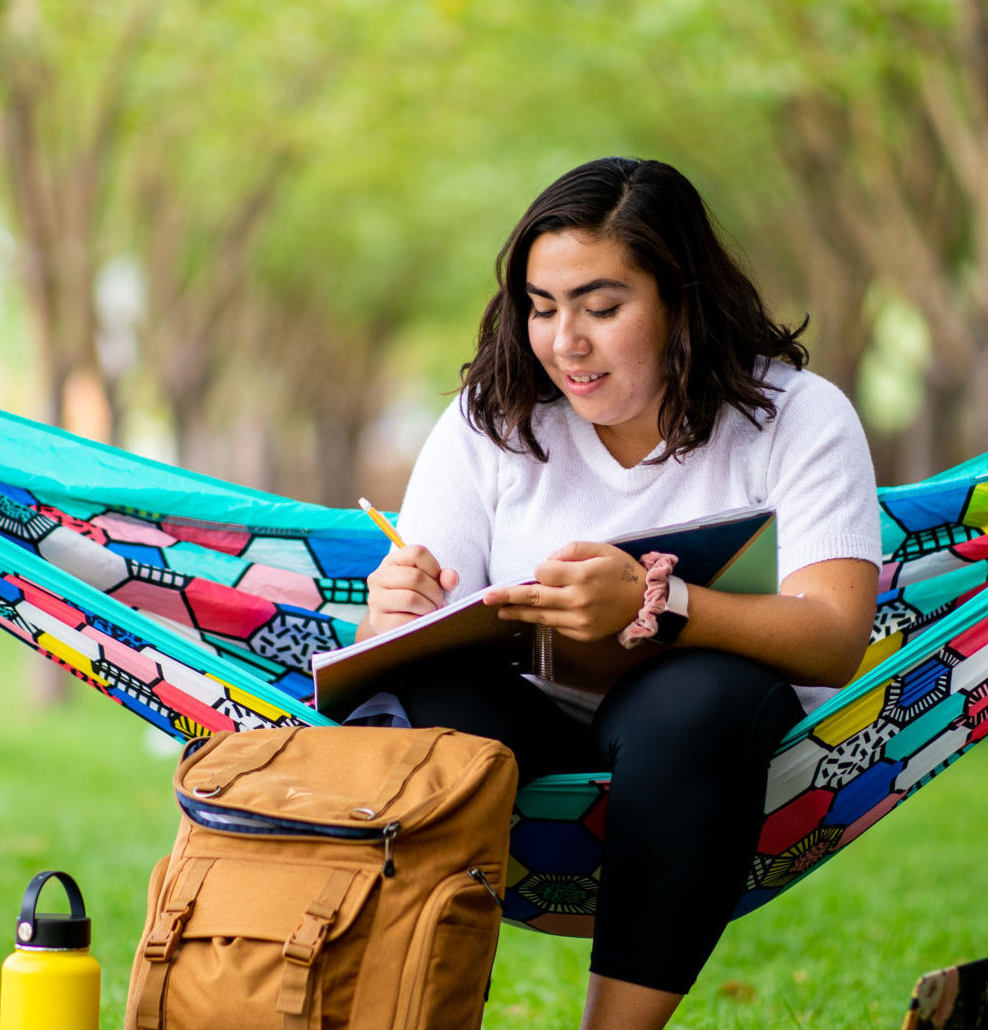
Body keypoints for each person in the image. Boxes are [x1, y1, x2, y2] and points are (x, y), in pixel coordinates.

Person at [355, 157, 884, 1030]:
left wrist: (659, 605)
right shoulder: (492, 418)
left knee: (697, 696)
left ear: (681, 299)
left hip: (704, 742)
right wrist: (394, 610)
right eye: (541, 306)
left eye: (601, 308)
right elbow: (422, 623)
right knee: (423, 702)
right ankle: (417, 1007)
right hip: (526, 726)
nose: (566, 341)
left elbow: (833, 636)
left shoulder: (797, 417)